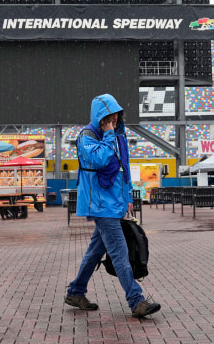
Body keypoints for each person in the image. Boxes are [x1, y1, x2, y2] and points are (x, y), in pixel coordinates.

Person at [65, 93, 161, 318]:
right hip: (100, 205)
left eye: (117, 115)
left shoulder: (118, 136)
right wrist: (108, 134)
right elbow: (100, 160)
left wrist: (128, 197)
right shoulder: (87, 135)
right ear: (100, 117)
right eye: (110, 116)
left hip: (112, 204)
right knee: (120, 251)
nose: (114, 120)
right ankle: (136, 300)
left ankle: (76, 291)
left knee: (94, 252)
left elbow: (123, 167)